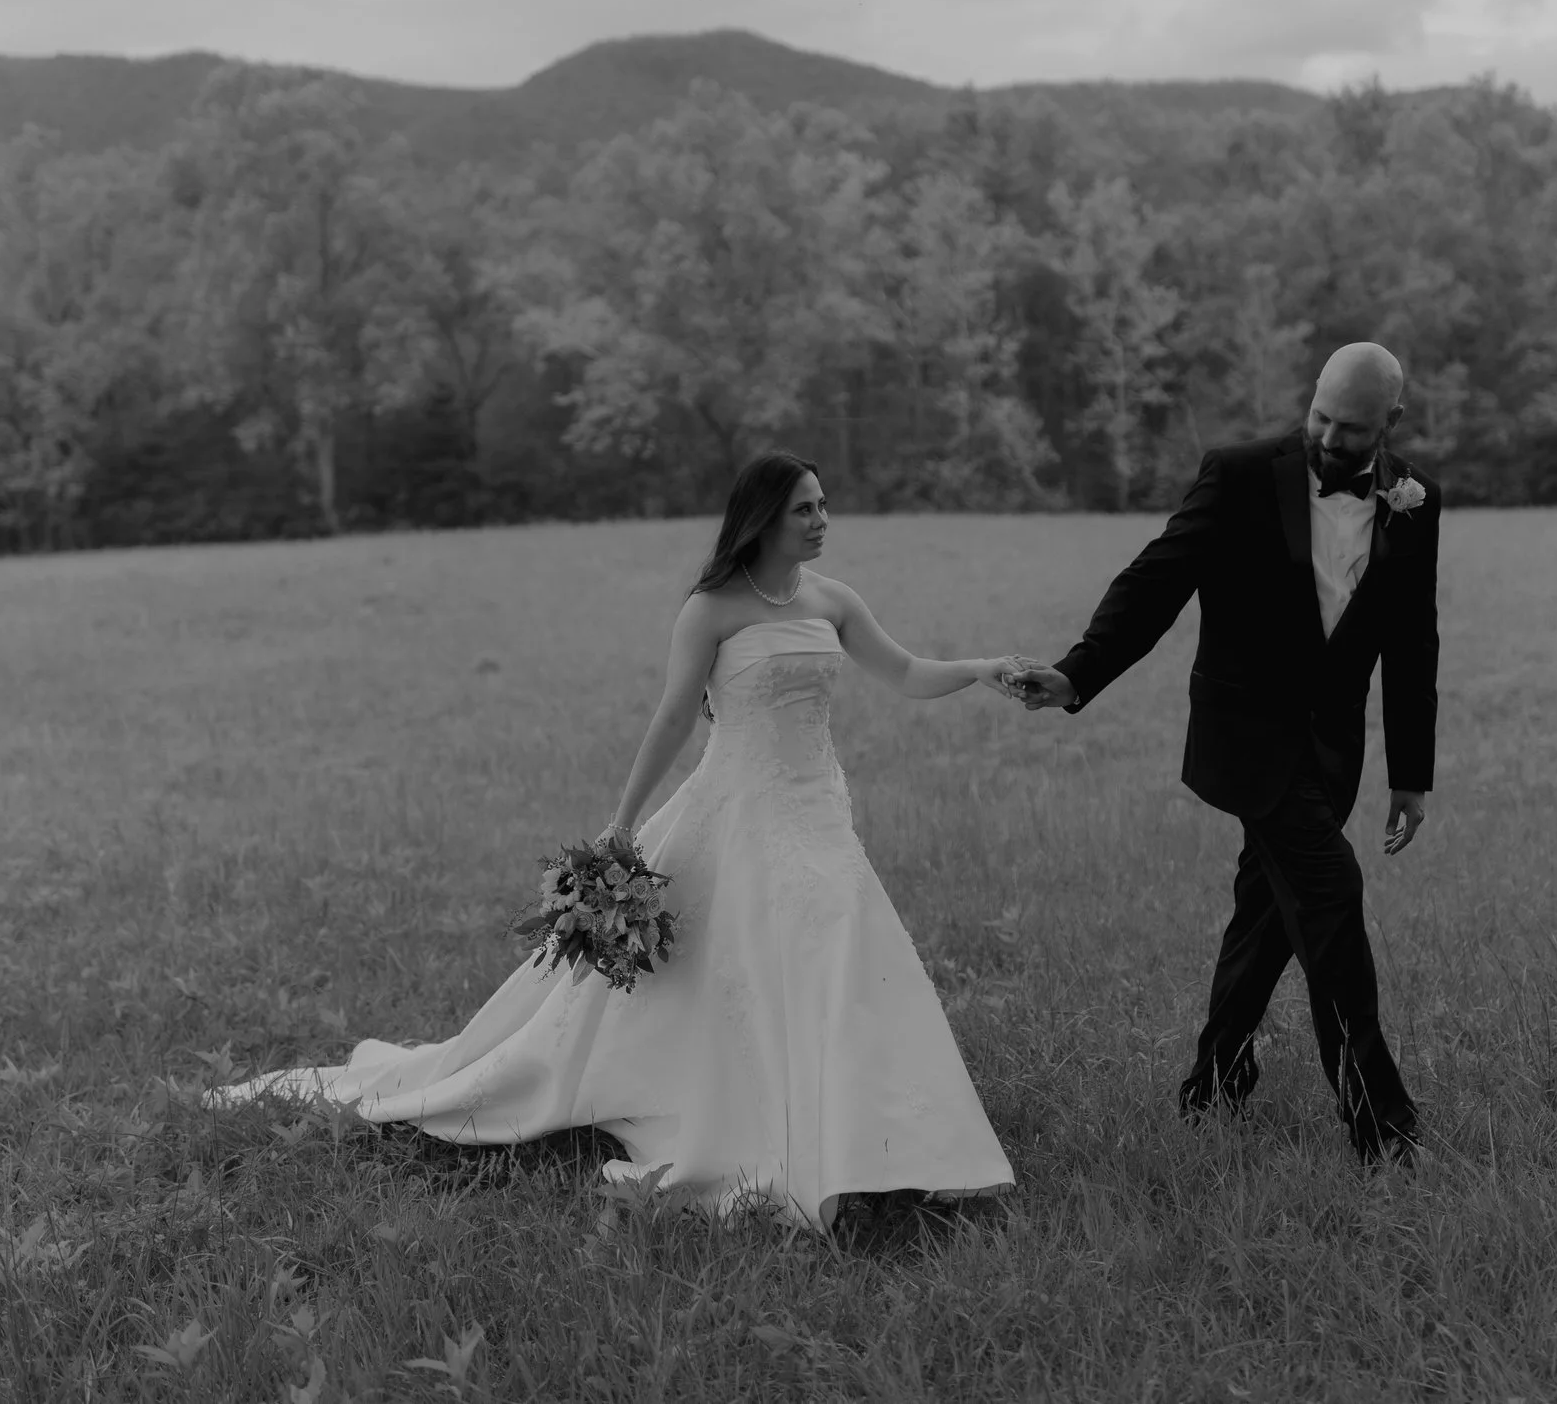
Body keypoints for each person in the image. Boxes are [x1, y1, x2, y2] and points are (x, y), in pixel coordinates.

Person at [215, 452, 1019, 1229]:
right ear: (763, 520)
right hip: (740, 811)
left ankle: (877, 1140)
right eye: (803, 508)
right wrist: (625, 821)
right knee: (756, 965)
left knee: (841, 951)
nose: (821, 520)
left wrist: (983, 668)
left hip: (818, 813)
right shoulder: (711, 609)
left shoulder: (833, 600)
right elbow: (673, 716)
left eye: (823, 505)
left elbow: (905, 671)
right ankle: (787, 1132)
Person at [1006, 342, 1439, 1163]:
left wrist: (1410, 775)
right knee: (1330, 893)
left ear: (1392, 419)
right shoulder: (1240, 475)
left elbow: (1414, 639)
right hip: (1247, 741)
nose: (1328, 438)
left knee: (1266, 919)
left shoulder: (1417, 499)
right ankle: (1382, 1127)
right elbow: (1157, 577)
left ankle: (1212, 1087)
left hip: (1331, 753)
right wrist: (1076, 672)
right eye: (1319, 416)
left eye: (1350, 429)